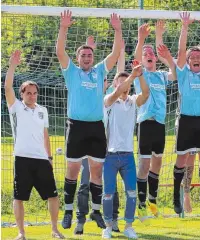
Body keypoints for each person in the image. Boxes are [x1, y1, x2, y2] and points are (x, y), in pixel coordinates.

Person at [56, 10, 123, 229]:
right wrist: (64, 27)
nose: (87, 58)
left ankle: (95, 211)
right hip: (76, 127)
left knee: (96, 172)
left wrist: (118, 29)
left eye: (89, 55)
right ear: (78, 58)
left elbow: (115, 53)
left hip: (96, 128)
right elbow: (59, 51)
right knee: (73, 171)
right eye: (83, 55)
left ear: (93, 57)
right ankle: (67, 212)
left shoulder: (100, 71)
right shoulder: (72, 72)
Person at [6, 50, 65, 240]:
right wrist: (13, 66)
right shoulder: (15, 108)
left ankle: (55, 230)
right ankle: (21, 233)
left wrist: (49, 157)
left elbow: (45, 135)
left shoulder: (43, 110)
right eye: (28, 93)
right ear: (22, 94)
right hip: (22, 159)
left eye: (34, 93)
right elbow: (7, 88)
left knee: (53, 196)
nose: (32, 96)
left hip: (41, 160)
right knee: (19, 198)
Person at [164, 11, 200, 215]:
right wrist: (184, 27)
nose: (196, 58)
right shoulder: (183, 73)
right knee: (182, 160)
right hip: (185, 121)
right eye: (192, 57)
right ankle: (176, 198)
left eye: (198, 57)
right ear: (187, 61)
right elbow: (181, 49)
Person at [74, 35, 124, 236]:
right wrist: (89, 49)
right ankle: (80, 220)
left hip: (109, 149)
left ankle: (113, 219)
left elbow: (119, 72)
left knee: (110, 184)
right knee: (85, 182)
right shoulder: (87, 94)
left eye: (106, 80)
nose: (102, 82)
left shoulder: (110, 99)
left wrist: (119, 48)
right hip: (89, 146)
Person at [101, 60, 149, 239]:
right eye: (120, 83)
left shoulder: (133, 100)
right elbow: (119, 91)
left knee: (131, 192)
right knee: (108, 193)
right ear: (115, 84)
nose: (125, 86)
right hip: (110, 156)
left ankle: (129, 226)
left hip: (128, 155)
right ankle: (107, 227)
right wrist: (132, 75)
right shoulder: (109, 100)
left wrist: (140, 74)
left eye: (127, 83)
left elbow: (145, 93)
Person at [133, 19, 176, 219]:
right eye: (146, 54)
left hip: (160, 124)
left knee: (157, 163)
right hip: (145, 123)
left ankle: (152, 201)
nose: (149, 56)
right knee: (144, 164)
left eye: (151, 54)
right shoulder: (139, 74)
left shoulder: (160, 75)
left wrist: (165, 54)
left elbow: (174, 73)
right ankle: (141, 202)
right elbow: (135, 57)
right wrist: (141, 39)